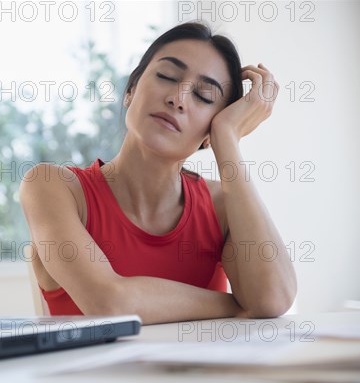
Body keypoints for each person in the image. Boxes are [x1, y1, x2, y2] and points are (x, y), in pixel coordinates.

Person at [19, 21, 297, 325]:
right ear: (130, 91)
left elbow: (272, 298)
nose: (178, 97)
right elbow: (110, 304)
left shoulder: (221, 206)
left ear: (209, 132)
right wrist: (239, 306)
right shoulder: (53, 187)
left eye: (204, 96)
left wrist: (227, 139)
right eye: (166, 76)